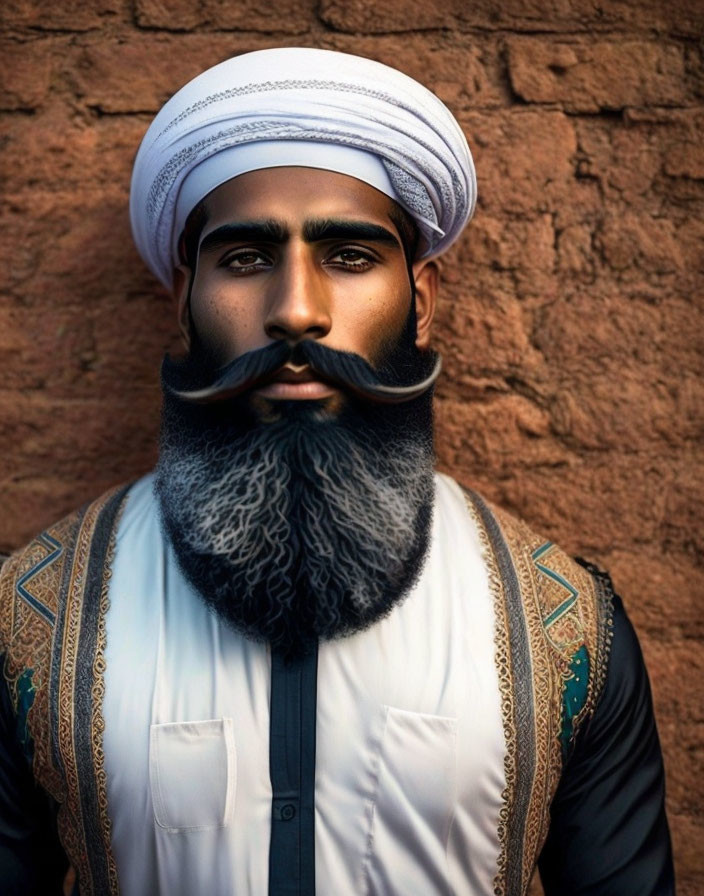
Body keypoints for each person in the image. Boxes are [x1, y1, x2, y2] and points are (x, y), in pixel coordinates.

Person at [0, 47, 674, 896]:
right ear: (183, 296)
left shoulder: (569, 632)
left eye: (350, 257)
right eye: (245, 258)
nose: (296, 308)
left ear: (421, 299)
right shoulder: (32, 621)